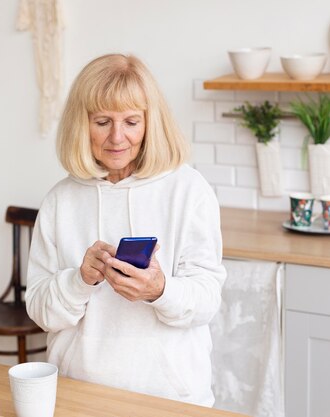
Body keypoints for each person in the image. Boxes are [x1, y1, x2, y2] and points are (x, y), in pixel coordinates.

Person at [25, 53, 226, 407]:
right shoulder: (61, 200)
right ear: (80, 123)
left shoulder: (189, 190)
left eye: (132, 121)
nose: (117, 137)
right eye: (102, 121)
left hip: (170, 397)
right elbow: (41, 311)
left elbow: (207, 300)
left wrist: (159, 289)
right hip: (81, 394)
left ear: (151, 123)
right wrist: (80, 280)